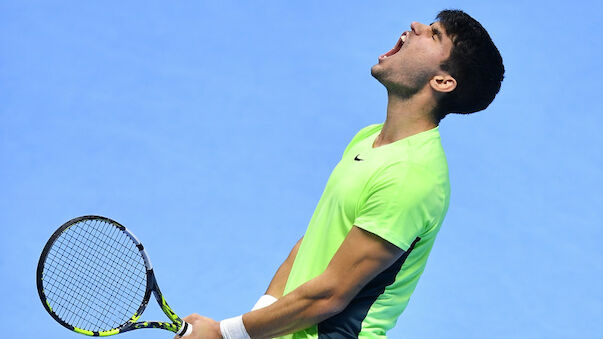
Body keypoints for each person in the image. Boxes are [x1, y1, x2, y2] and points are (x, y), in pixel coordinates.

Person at [178, 9, 504, 339]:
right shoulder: (369, 138)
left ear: (443, 81)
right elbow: (309, 246)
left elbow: (330, 295)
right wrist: (258, 319)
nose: (415, 26)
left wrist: (225, 333)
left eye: (434, 35)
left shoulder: (412, 175)